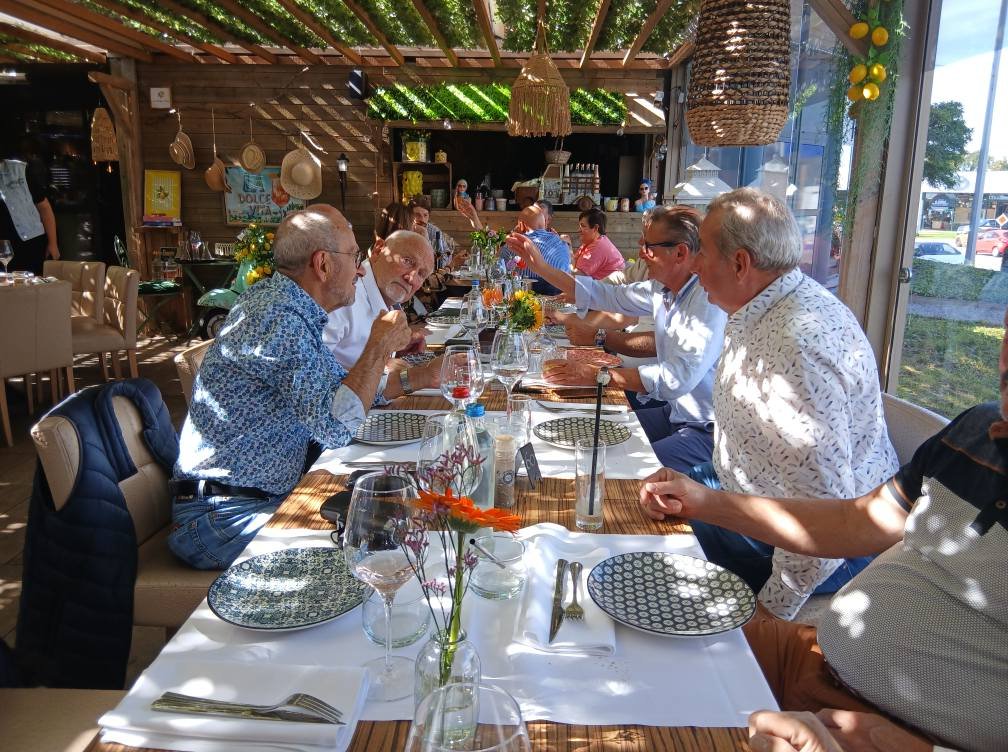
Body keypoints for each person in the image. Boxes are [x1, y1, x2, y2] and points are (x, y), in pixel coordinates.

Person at [640, 304, 1008, 750]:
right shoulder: (977, 430)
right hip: (810, 655)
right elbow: (857, 521)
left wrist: (915, 748)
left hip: (897, 732)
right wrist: (704, 502)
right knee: (632, 637)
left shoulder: (800, 335)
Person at [673, 187, 899, 619]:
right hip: (744, 489)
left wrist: (768, 617)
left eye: (702, 251)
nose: (694, 264)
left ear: (740, 264)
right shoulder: (764, 304)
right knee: (637, 492)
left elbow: (823, 527)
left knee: (647, 551)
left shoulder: (796, 347)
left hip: (815, 550)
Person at [169, 205, 412, 569]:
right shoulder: (278, 318)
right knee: (373, 543)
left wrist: (416, 377)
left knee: (393, 513)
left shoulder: (286, 307)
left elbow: (341, 392)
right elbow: (336, 427)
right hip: (221, 517)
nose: (361, 270)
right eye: (354, 256)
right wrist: (378, 346)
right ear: (323, 264)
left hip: (249, 500)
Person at [506, 206, 726, 472]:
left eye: (648, 245)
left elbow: (676, 378)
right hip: (674, 413)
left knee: (615, 468)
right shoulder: (664, 289)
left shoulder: (706, 301)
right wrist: (540, 266)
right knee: (588, 438)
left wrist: (599, 375)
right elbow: (605, 294)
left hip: (704, 430)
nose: (641, 252)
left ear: (680, 253)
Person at [323, 229, 441, 397]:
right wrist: (382, 365)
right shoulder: (343, 297)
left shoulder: (384, 298)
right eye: (407, 261)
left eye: (421, 274)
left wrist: (393, 349)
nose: (411, 278)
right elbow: (315, 386)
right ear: (378, 250)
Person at [1, 158, 60, 274]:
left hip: (30, 242)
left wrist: (53, 243)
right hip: (3, 247)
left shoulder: (19, 170)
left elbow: (44, 208)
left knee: (33, 283)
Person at [572, 207, 625, 279]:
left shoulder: (598, 247)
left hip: (609, 285)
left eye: (583, 226)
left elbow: (576, 277)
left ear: (595, 228)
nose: (578, 230)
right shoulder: (592, 241)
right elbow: (573, 261)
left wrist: (568, 247)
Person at [409, 194, 459, 271]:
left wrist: (425, 236)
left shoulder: (434, 231)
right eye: (417, 215)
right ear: (409, 216)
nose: (422, 219)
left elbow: (444, 261)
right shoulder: (405, 231)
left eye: (425, 215)